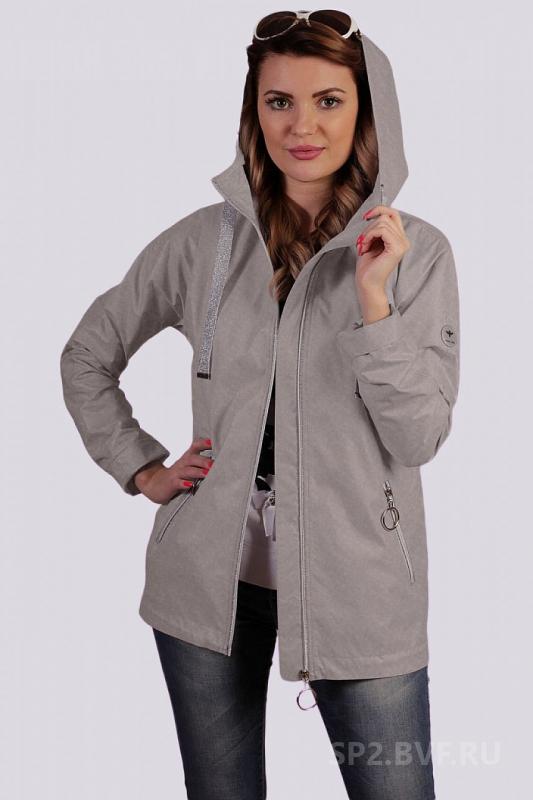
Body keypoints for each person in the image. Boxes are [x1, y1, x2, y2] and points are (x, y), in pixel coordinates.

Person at [60, 10, 460, 799]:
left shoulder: (417, 255)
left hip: (362, 585)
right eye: (279, 101)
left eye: (328, 101)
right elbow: (86, 356)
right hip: (205, 582)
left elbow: (417, 436)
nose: (301, 126)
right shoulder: (200, 245)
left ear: (368, 113)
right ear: (254, 112)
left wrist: (374, 303)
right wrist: (140, 467)